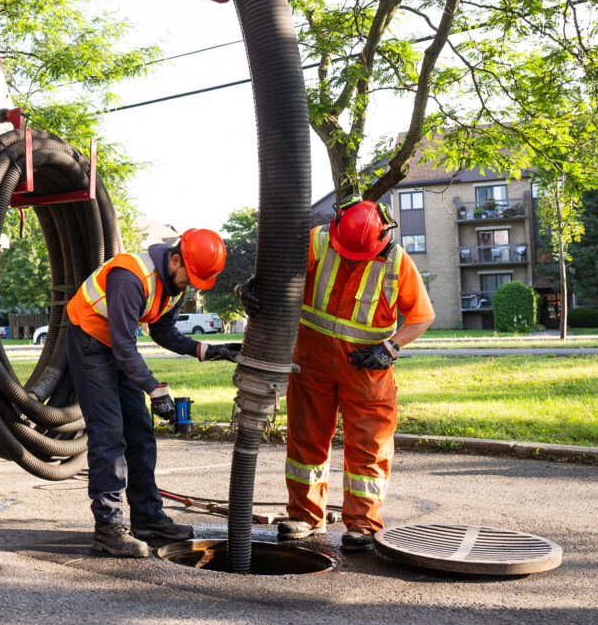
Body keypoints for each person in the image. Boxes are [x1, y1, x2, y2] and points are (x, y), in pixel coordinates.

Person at [270, 196, 435, 551]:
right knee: (305, 440)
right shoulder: (317, 241)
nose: (348, 258)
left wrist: (389, 348)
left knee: (368, 447)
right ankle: (304, 515)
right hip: (311, 362)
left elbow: (422, 317)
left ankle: (363, 523)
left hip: (366, 369)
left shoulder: (397, 262)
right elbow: (279, 275)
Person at [65, 229, 243, 558]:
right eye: (189, 277)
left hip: (118, 349)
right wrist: (154, 388)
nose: (189, 285)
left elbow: (162, 330)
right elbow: (123, 343)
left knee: (140, 434)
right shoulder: (131, 276)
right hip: (90, 344)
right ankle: (108, 528)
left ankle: (148, 519)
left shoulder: (173, 283)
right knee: (109, 436)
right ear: (175, 259)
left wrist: (206, 349)